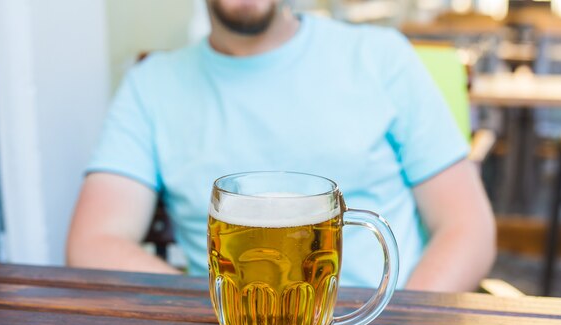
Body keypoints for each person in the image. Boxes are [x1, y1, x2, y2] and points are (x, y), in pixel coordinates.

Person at [66, 0, 496, 292]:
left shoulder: (382, 56)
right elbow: (93, 242)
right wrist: (227, 308)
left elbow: (468, 228)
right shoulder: (152, 85)